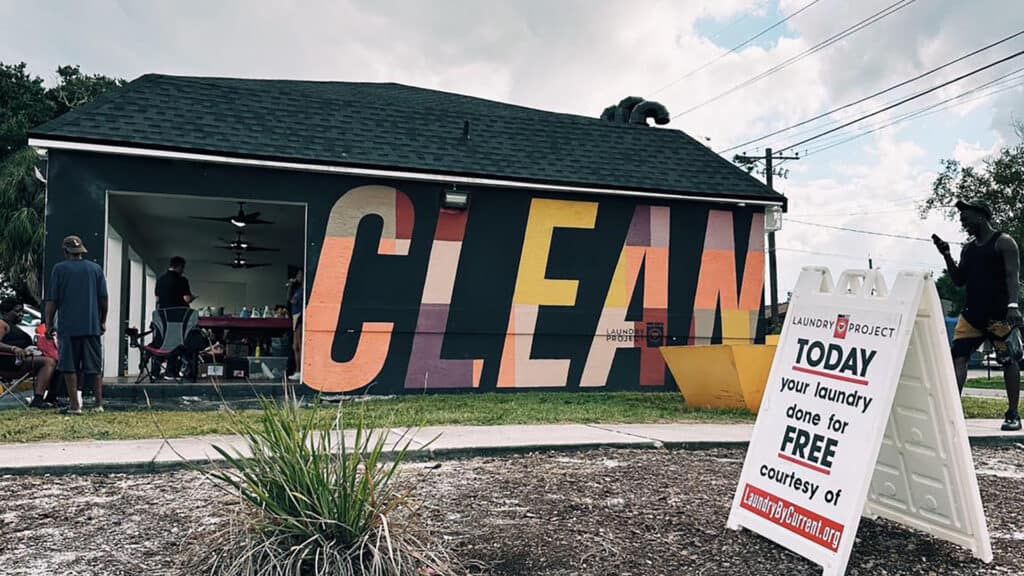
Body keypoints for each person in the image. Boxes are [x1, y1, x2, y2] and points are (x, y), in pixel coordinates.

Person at [933, 199, 1022, 431]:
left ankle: (1013, 413)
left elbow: (1013, 276)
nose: (964, 224)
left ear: (981, 216)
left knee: (1008, 359)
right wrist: (946, 255)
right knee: (958, 358)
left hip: (999, 316)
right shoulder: (968, 249)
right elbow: (959, 280)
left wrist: (1013, 305)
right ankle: (952, 413)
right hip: (972, 315)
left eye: (967, 219)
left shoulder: (1004, 243)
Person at [44, 235, 108, 415]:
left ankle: (75, 406)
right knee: (94, 367)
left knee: (69, 366)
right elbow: (103, 298)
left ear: (65, 251)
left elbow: (52, 300)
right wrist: (102, 321)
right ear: (81, 250)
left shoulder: (59, 269)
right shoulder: (95, 269)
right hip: (91, 325)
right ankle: (98, 405)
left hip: (68, 327)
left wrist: (49, 324)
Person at [0, 298, 57, 409]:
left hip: (22, 360)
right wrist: (13, 349)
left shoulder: (15, 326)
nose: (21, 314)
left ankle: (51, 398)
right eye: (17, 311)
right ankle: (38, 400)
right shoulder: (2, 324)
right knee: (48, 362)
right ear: (6, 311)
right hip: (9, 363)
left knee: (57, 360)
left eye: (22, 311)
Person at [153, 256, 201, 380]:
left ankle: (156, 371)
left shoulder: (160, 280)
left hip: (163, 320)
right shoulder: (182, 280)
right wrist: (193, 297)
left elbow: (157, 299)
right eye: (183, 268)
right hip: (178, 321)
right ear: (179, 266)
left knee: (162, 342)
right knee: (179, 342)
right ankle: (174, 371)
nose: (183, 270)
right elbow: (186, 299)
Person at [287, 269, 304, 382]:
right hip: (295, 317)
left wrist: (291, 285)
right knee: (295, 346)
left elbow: (292, 300)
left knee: (298, 346)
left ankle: (299, 371)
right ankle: (298, 370)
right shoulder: (298, 289)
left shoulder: (303, 290)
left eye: (299, 274)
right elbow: (289, 299)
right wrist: (290, 286)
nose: (297, 276)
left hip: (300, 317)